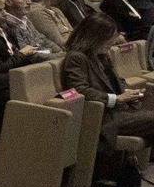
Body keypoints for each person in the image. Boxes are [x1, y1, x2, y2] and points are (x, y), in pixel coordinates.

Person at [61, 15, 154, 160]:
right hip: (104, 117)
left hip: (120, 112)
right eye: (109, 39)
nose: (113, 42)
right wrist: (116, 98)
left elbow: (117, 82)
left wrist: (129, 93)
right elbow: (79, 90)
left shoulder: (102, 55)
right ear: (95, 36)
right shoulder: (77, 57)